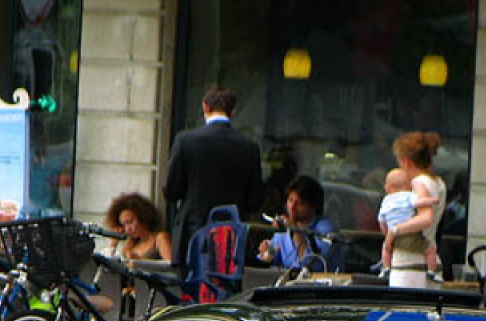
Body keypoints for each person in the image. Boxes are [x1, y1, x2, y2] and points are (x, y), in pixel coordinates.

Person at [163, 85, 263, 273]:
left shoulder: (185, 140)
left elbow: (171, 190)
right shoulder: (250, 147)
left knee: (190, 296)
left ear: (205, 107)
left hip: (192, 235)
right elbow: (255, 200)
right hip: (229, 239)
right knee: (225, 294)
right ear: (233, 112)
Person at [380, 131, 446, 289]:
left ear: (406, 161)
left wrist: (394, 230)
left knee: (405, 311)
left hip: (409, 262)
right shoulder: (438, 183)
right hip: (428, 256)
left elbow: (425, 218)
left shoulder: (417, 184)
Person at [257, 175, 342, 271]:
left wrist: (294, 230)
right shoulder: (285, 226)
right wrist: (267, 252)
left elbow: (310, 263)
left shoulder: (326, 229)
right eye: (290, 200)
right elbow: (272, 258)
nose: (292, 207)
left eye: (299, 203)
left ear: (314, 206)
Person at [378, 167, 438, 277]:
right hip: (409, 235)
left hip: (393, 238)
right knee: (430, 249)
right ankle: (431, 272)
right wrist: (432, 200)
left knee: (386, 248)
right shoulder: (408, 196)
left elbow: (382, 220)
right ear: (409, 186)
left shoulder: (385, 201)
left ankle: (386, 268)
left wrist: (387, 234)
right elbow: (420, 202)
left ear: (386, 188)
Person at [104, 192, 173, 261]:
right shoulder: (130, 245)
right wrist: (113, 244)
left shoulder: (160, 238)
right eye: (123, 225)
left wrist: (141, 260)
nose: (128, 228)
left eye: (130, 222)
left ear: (142, 217)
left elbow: (171, 266)